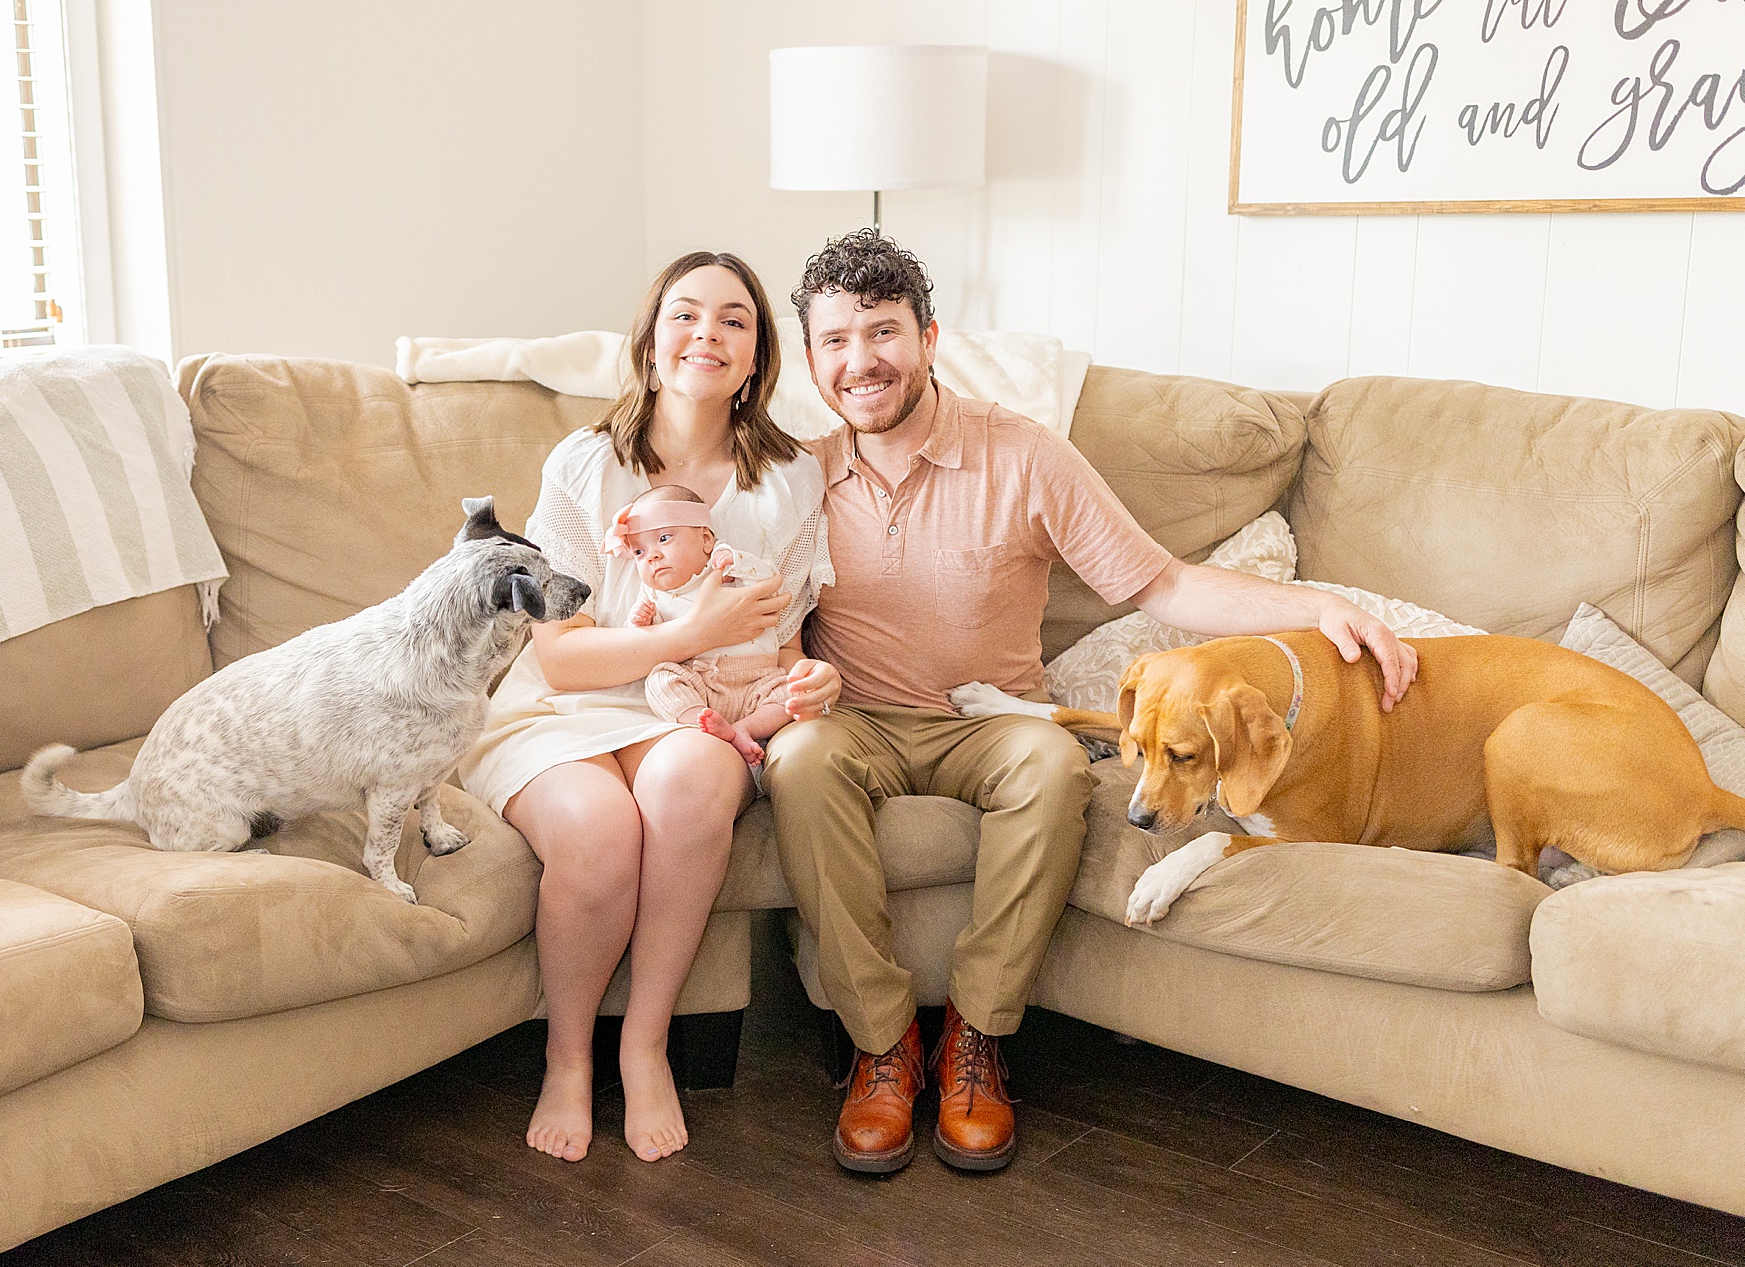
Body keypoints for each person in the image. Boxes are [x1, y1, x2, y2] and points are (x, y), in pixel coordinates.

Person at [761, 229, 1417, 1175]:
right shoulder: (798, 474)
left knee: (1056, 764)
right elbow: (740, 592)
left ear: (930, 337)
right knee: (797, 759)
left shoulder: (1025, 456)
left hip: (992, 720)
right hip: (852, 719)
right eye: (835, 341)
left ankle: (978, 1042)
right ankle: (882, 1047)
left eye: (882, 331)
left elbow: (1163, 586)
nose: (860, 361)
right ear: (813, 359)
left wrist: (1318, 603)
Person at [463, 251, 841, 1164]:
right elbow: (561, 656)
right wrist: (687, 630)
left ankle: (644, 1047)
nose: (706, 334)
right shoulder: (587, 464)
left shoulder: (788, 482)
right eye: (685, 314)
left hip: (698, 708)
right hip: (568, 704)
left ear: (758, 357)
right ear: (651, 336)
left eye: (733, 321)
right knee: (595, 830)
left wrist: (807, 684)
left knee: (690, 785)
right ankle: (567, 1058)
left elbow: (782, 647)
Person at [606, 485, 796, 765]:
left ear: (706, 539)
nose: (652, 556)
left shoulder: (726, 572)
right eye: (638, 552)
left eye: (664, 538)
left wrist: (737, 561)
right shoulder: (654, 596)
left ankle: (747, 729)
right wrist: (640, 620)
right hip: (699, 681)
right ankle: (703, 725)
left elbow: (769, 580)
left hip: (758, 677)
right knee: (660, 680)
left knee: (790, 693)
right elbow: (645, 644)